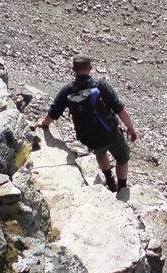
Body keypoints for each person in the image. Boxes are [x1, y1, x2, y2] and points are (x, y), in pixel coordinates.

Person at [37, 56, 137, 192]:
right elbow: (119, 108)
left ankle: (109, 180)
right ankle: (122, 188)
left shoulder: (67, 90)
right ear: (90, 68)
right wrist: (130, 127)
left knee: (100, 153)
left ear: (73, 69)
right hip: (109, 131)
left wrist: (44, 123)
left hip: (88, 136)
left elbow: (54, 112)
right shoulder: (100, 85)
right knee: (122, 158)